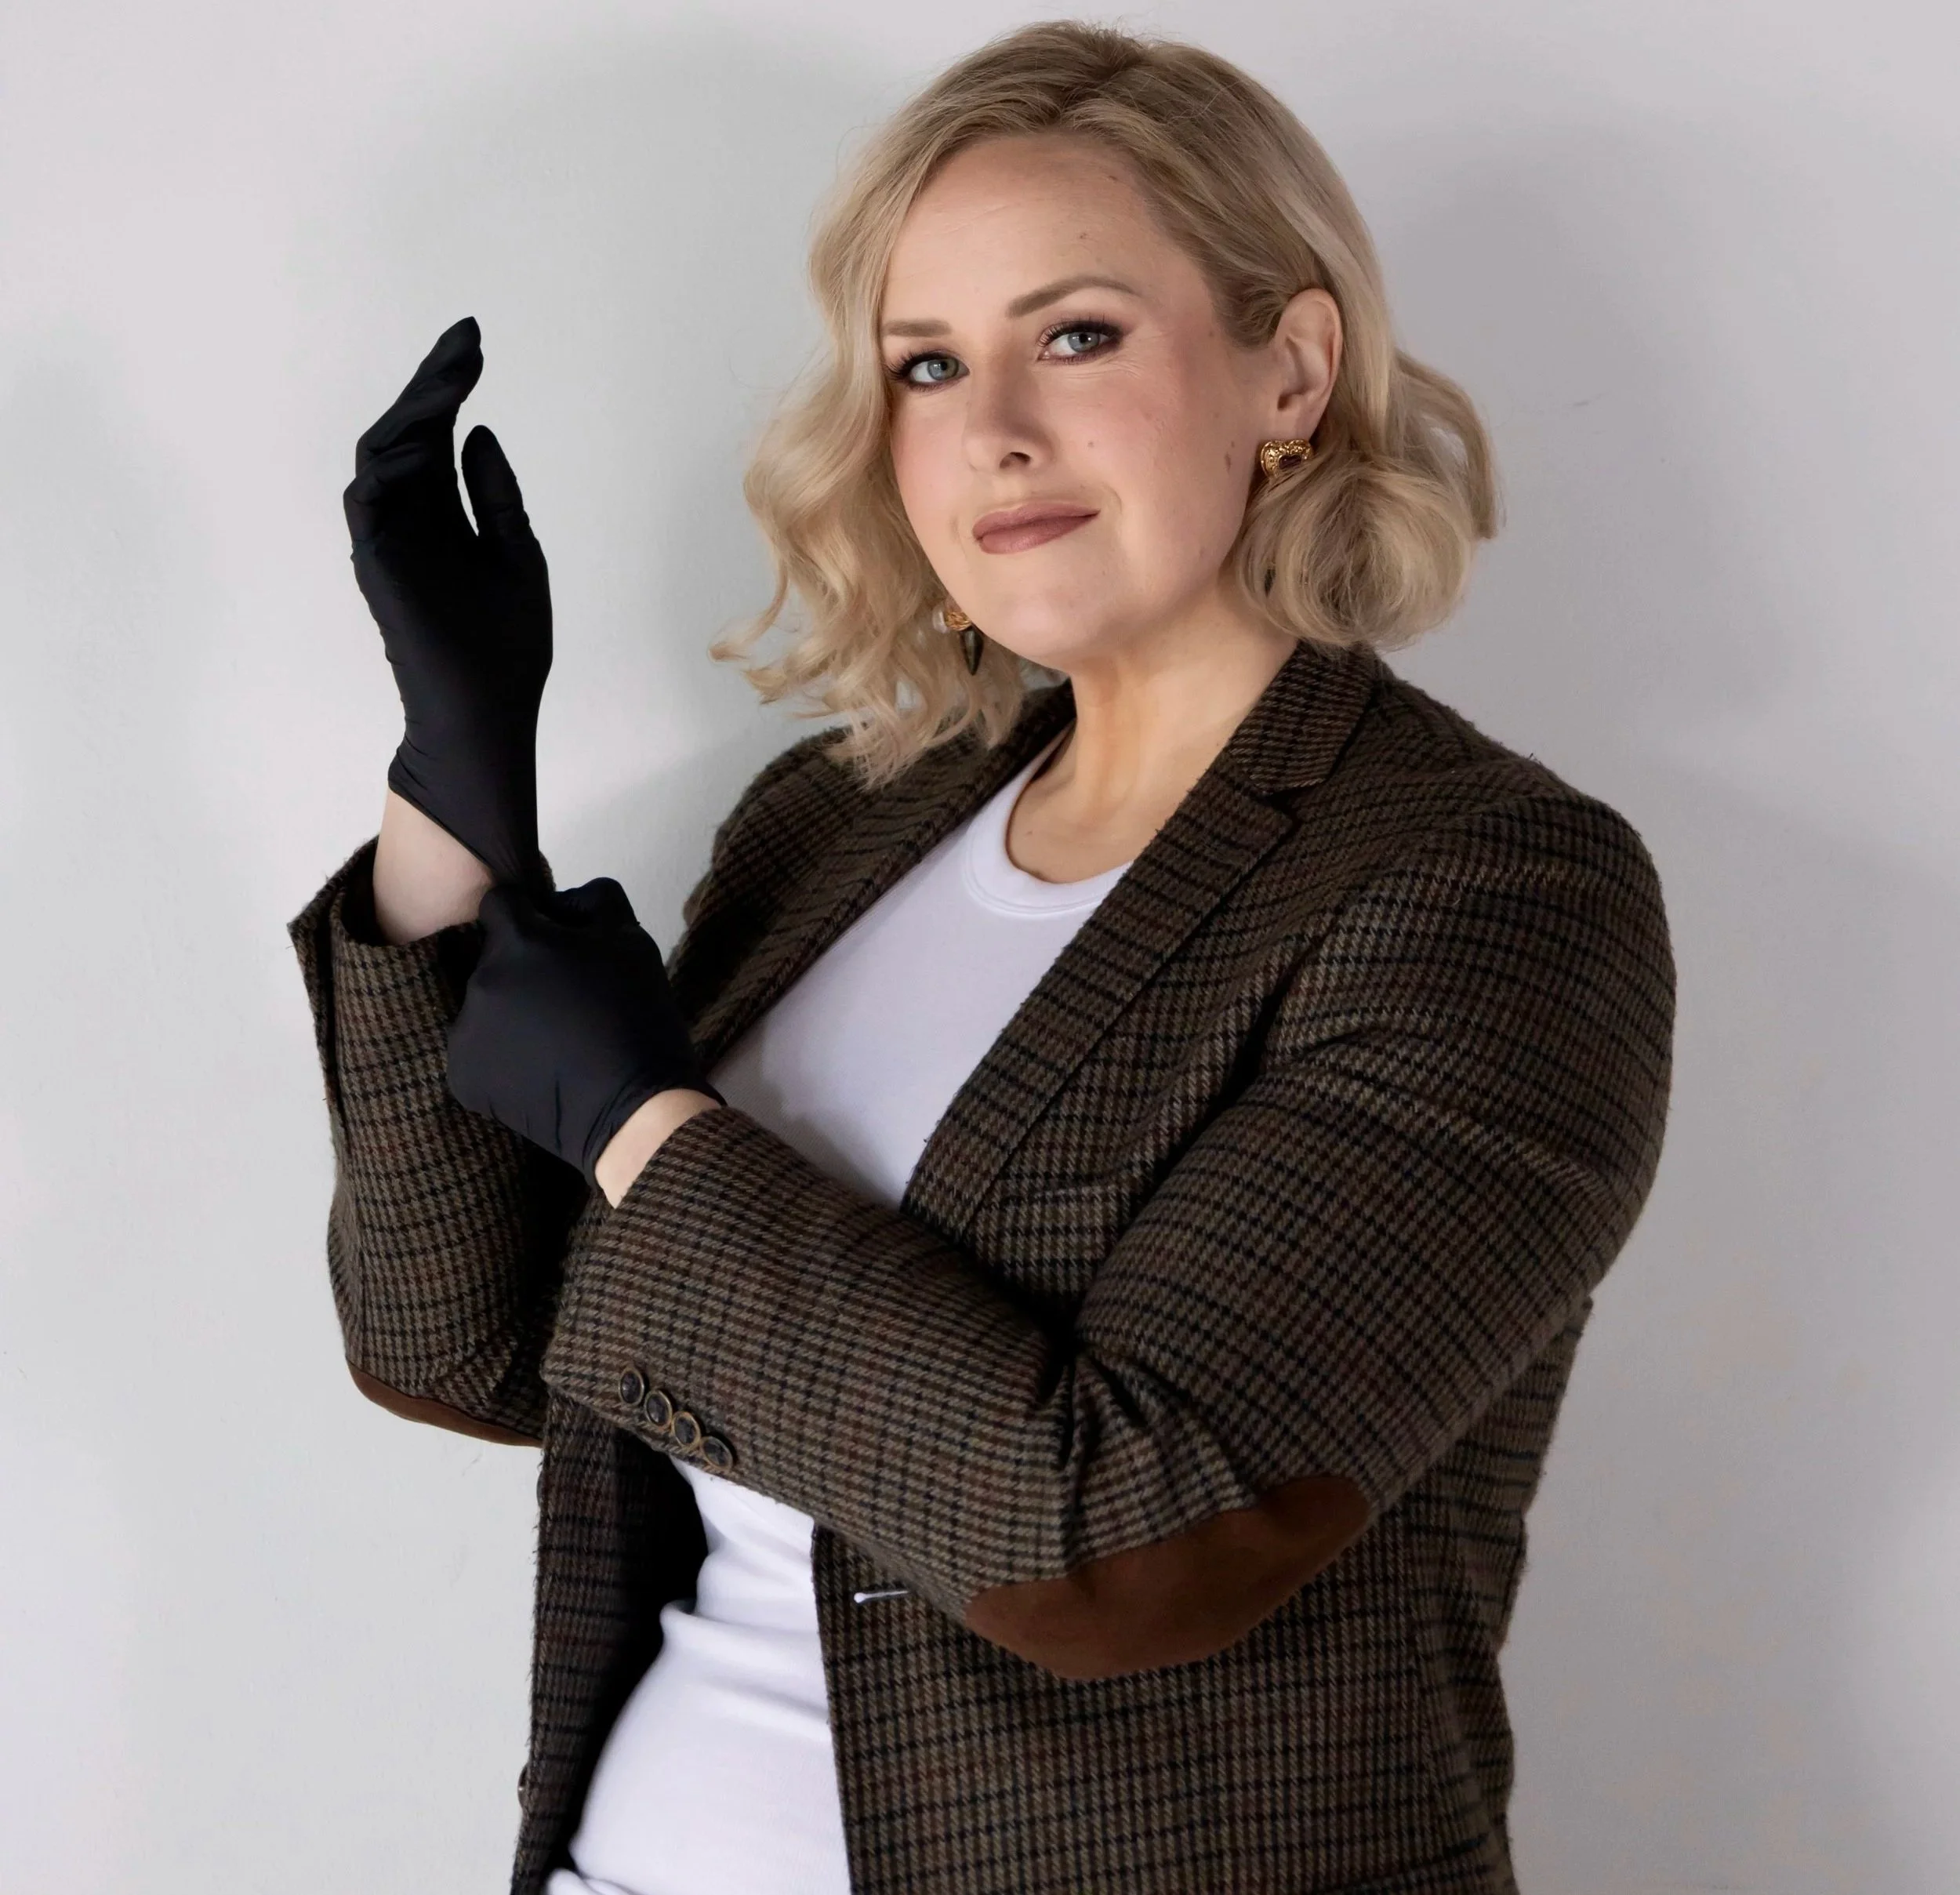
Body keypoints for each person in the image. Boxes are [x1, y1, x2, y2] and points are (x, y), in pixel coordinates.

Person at [287, 20, 1675, 1895]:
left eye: (1076, 334)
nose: (992, 426)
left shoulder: (1481, 888)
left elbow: (1123, 1536)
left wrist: (642, 1121)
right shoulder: (843, 823)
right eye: (925, 365)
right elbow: (465, 1344)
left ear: (1291, 364)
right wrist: (452, 799)